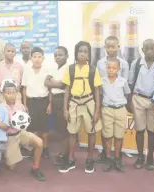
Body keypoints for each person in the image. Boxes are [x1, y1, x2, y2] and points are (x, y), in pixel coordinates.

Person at [60, 41, 102, 174]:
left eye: (85, 51)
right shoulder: (70, 69)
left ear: (89, 54)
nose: (82, 54)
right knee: (72, 132)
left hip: (89, 103)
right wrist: (65, 109)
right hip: (74, 103)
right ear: (76, 53)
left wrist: (97, 111)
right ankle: (71, 158)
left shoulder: (93, 69)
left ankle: (90, 159)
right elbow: (67, 90)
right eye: (80, 51)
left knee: (91, 132)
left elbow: (97, 91)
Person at [128, 39, 154, 170]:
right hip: (138, 99)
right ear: (142, 50)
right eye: (146, 48)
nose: (149, 51)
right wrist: (129, 101)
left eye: (152, 48)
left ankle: (150, 157)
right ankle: (140, 157)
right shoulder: (136, 64)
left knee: (151, 131)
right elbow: (131, 82)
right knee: (140, 130)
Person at [95, 36, 129, 164]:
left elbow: (125, 84)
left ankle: (118, 158)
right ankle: (106, 155)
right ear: (104, 48)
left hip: (119, 104)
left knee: (119, 134)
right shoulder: (99, 63)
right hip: (106, 104)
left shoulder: (124, 64)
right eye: (108, 46)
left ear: (118, 47)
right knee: (106, 132)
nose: (111, 49)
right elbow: (99, 84)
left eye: (113, 46)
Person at [3, 82, 45, 181]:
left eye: (13, 92)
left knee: (39, 142)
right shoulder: (0, 107)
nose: (11, 95)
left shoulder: (20, 106)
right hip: (9, 137)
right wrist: (9, 123)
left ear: (17, 93)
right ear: (3, 94)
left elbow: (24, 122)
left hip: (21, 133)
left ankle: (35, 168)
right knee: (12, 167)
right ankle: (7, 153)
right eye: (8, 93)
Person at [100, 58, 131, 172]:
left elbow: (127, 94)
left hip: (120, 110)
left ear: (118, 69)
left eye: (114, 68)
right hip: (107, 110)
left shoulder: (123, 81)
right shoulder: (102, 81)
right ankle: (108, 158)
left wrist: (122, 104)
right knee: (107, 136)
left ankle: (117, 159)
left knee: (119, 136)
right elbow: (101, 94)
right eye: (108, 67)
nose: (111, 70)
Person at [22, 47, 52, 159]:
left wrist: (50, 103)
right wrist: (25, 104)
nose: (37, 59)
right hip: (31, 102)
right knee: (33, 127)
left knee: (45, 128)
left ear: (43, 58)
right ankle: (35, 148)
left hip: (44, 101)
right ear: (31, 58)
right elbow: (24, 88)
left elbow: (50, 89)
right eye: (35, 57)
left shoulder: (47, 70)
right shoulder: (27, 70)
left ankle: (45, 148)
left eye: (39, 57)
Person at [44, 46, 70, 166]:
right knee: (58, 128)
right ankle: (62, 153)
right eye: (55, 55)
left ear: (67, 56)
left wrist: (53, 83)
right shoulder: (53, 68)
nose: (57, 57)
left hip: (63, 99)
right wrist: (57, 83)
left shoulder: (68, 68)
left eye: (60, 54)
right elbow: (46, 83)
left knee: (64, 129)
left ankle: (65, 155)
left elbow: (64, 86)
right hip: (54, 100)